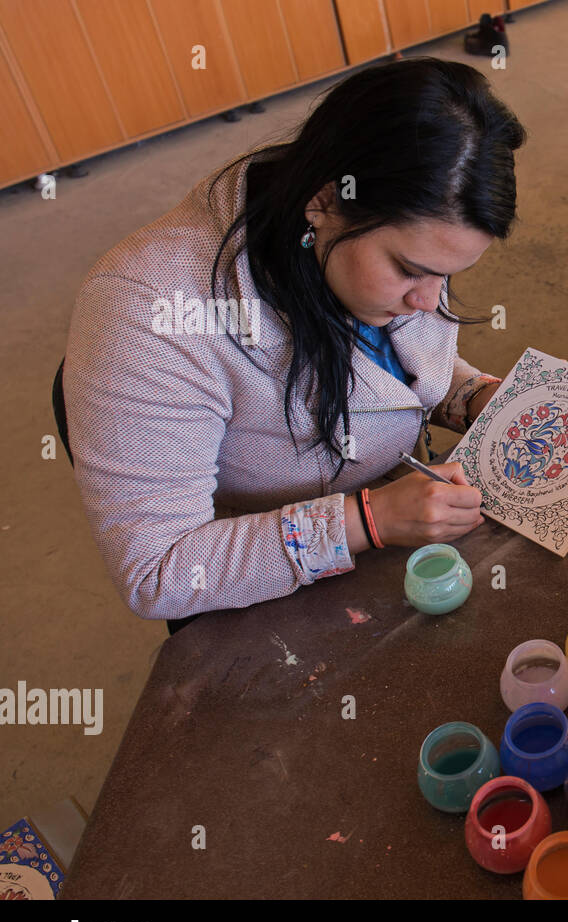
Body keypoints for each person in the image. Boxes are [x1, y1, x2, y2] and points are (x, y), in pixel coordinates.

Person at [62, 57, 526, 625]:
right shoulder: (150, 313)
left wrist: (473, 397)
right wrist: (367, 520)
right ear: (325, 202)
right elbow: (159, 571)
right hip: (261, 586)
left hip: (396, 504)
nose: (430, 302)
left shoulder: (375, 251)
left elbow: (390, 371)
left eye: (448, 274)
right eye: (409, 269)